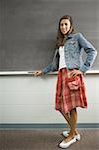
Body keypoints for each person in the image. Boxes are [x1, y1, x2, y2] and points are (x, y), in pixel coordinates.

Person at [33, 15, 97, 148]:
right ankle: (74, 132)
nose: (63, 27)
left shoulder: (77, 37)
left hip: (72, 75)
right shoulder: (60, 42)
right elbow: (55, 65)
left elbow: (92, 51)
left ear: (71, 26)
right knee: (62, 107)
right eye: (61, 25)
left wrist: (83, 69)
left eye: (66, 24)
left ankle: (71, 136)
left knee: (72, 107)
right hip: (62, 76)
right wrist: (43, 71)